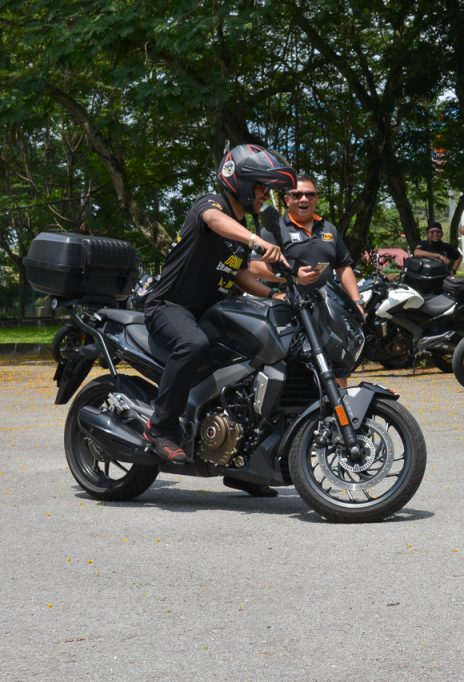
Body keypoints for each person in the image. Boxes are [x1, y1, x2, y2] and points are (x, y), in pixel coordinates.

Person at [143, 144, 293, 498]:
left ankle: (243, 464)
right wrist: (256, 241)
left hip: (208, 311)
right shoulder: (211, 206)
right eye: (262, 187)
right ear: (242, 182)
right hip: (169, 306)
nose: (266, 196)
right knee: (192, 344)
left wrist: (277, 292)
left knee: (252, 362)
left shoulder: (239, 227)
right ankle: (160, 428)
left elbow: (239, 274)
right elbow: (213, 222)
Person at [248, 174, 364, 385]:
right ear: (287, 199)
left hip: (326, 311)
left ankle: (338, 406)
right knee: (293, 369)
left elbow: (343, 266)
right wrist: (289, 278)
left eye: (310, 194)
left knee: (336, 366)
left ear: (316, 198)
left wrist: (357, 302)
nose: (303, 199)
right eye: (297, 195)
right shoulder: (275, 229)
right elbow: (255, 267)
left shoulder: (328, 228)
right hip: (288, 310)